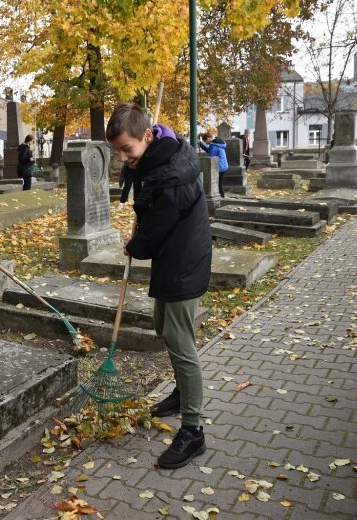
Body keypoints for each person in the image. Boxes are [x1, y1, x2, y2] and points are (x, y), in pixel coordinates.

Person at [106, 103, 212, 470]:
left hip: (183, 261)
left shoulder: (171, 176)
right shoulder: (154, 159)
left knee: (181, 342)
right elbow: (148, 208)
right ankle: (183, 394)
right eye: (117, 151)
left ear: (148, 137)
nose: (123, 158)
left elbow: (150, 238)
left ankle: (193, 430)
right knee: (163, 327)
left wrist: (133, 246)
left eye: (127, 150)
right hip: (174, 256)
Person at [199, 132, 228, 198]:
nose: (206, 143)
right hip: (223, 165)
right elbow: (209, 150)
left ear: (208, 139)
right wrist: (201, 144)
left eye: (205, 141)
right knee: (219, 183)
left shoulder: (213, 145)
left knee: (218, 184)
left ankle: (222, 198)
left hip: (220, 167)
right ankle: (222, 197)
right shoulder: (217, 143)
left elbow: (210, 156)